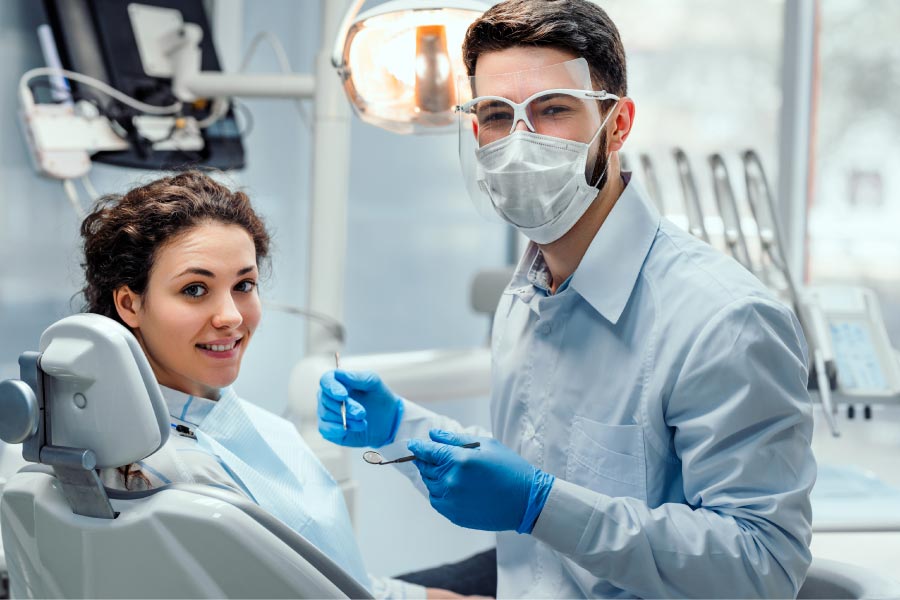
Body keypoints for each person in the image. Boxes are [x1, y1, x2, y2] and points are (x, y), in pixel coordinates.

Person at [317, 1, 817, 598]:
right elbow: (534, 468)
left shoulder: (723, 321)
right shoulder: (528, 292)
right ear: (476, 129)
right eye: (498, 114)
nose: (520, 140)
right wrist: (400, 428)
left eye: (552, 109)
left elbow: (763, 565)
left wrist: (542, 506)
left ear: (619, 124)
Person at [80, 170, 465, 600]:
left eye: (243, 285)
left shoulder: (215, 418)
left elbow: (330, 575)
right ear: (130, 303)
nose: (231, 316)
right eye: (194, 289)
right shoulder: (176, 475)